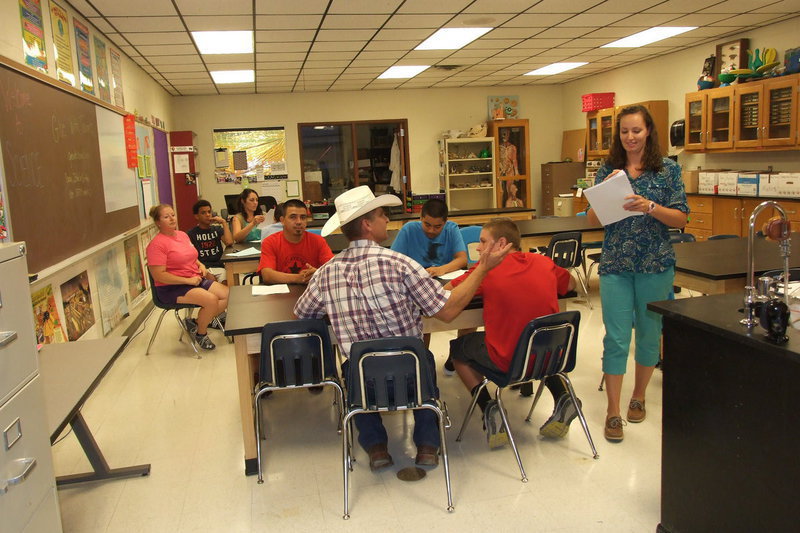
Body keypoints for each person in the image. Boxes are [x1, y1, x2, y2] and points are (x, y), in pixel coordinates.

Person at [294, 186, 511, 471]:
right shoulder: (401, 265)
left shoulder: (326, 273)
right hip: (410, 374)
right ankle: (427, 446)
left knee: (352, 368)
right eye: (382, 215)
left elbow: (303, 313)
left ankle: (376, 448)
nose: (387, 220)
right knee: (421, 358)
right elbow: (446, 312)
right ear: (367, 224)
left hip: (366, 380)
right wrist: (482, 268)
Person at [586, 105, 689, 442]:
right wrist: (603, 200)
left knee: (648, 333)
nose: (630, 138)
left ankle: (639, 396)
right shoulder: (609, 170)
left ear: (649, 132)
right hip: (616, 264)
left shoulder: (669, 171)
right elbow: (591, 220)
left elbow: (681, 219)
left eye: (636, 131)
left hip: (655, 264)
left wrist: (650, 206)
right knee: (615, 337)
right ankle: (613, 410)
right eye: (624, 132)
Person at [445, 218, 579, 448]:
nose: (478, 248)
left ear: (501, 244)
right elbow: (571, 285)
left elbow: (450, 291)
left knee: (458, 350)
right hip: (552, 358)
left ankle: (489, 408)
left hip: (509, 362)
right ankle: (563, 396)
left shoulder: (487, 270)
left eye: (483, 241)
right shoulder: (543, 261)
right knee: (538, 344)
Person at [146, 204, 229, 350]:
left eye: (173, 215)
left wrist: (201, 265)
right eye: (166, 217)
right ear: (158, 222)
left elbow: (191, 256)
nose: (172, 219)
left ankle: (196, 322)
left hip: (194, 279)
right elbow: (159, 275)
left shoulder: (182, 235)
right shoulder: (156, 245)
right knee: (211, 300)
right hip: (173, 287)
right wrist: (187, 280)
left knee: (230, 295)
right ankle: (201, 333)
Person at [258, 199, 333, 284]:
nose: (299, 222)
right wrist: (298, 278)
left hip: (311, 294)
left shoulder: (318, 241)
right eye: (293, 217)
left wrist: (317, 273)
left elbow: (332, 270)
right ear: (282, 221)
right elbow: (267, 275)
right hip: (280, 295)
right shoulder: (270, 242)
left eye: (303, 217)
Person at [390, 198, 467, 277]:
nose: (431, 230)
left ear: (445, 222)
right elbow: (392, 261)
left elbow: (462, 259)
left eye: (437, 226)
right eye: (427, 225)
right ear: (421, 217)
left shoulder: (451, 229)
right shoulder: (408, 230)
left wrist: (441, 269)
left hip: (443, 276)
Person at [187, 199, 233, 285]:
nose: (208, 215)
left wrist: (224, 223)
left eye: (209, 212)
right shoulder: (191, 234)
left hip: (219, 266)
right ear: (196, 216)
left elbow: (229, 242)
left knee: (227, 282)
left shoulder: (216, 229)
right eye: (203, 213)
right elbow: (190, 257)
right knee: (213, 283)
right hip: (203, 268)